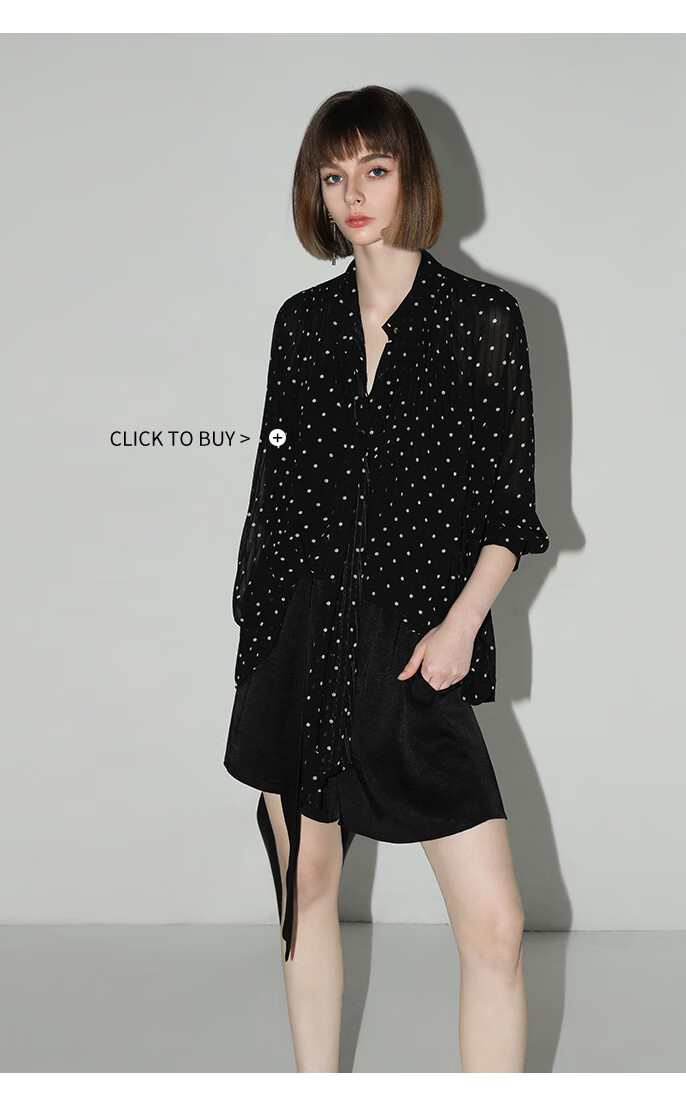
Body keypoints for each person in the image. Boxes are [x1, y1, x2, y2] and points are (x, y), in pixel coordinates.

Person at [224, 85, 550, 1073]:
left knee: (495, 928)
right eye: (333, 175)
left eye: (375, 168)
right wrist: (254, 645)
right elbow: (272, 498)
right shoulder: (302, 325)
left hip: (413, 652)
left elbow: (509, 513)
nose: (353, 194)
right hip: (297, 649)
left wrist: (459, 629)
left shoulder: (483, 320)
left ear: (413, 177)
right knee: (306, 895)